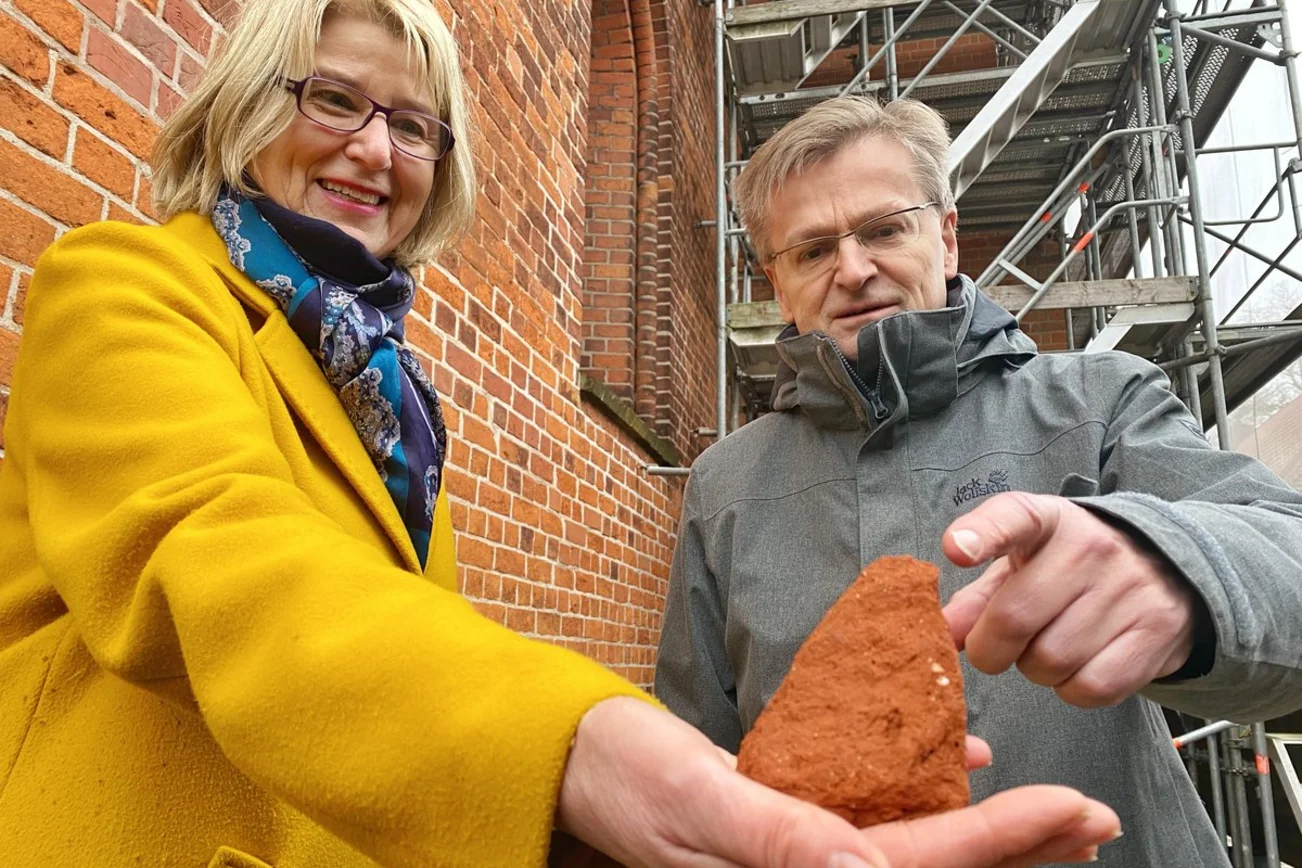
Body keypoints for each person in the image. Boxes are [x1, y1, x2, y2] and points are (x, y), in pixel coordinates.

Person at [0, 4, 1123, 868]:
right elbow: (221, 564)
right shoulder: (126, 290)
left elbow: (389, 703)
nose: (376, 151)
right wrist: (577, 750)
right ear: (246, 104)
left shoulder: (388, 399)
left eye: (414, 126)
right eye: (333, 100)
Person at [655, 94, 1302, 868]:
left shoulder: (1098, 405)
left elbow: (1288, 555)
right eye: (813, 250)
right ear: (776, 281)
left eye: (884, 230)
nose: (853, 270)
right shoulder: (724, 485)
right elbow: (693, 755)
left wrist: (1181, 573)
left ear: (947, 235)